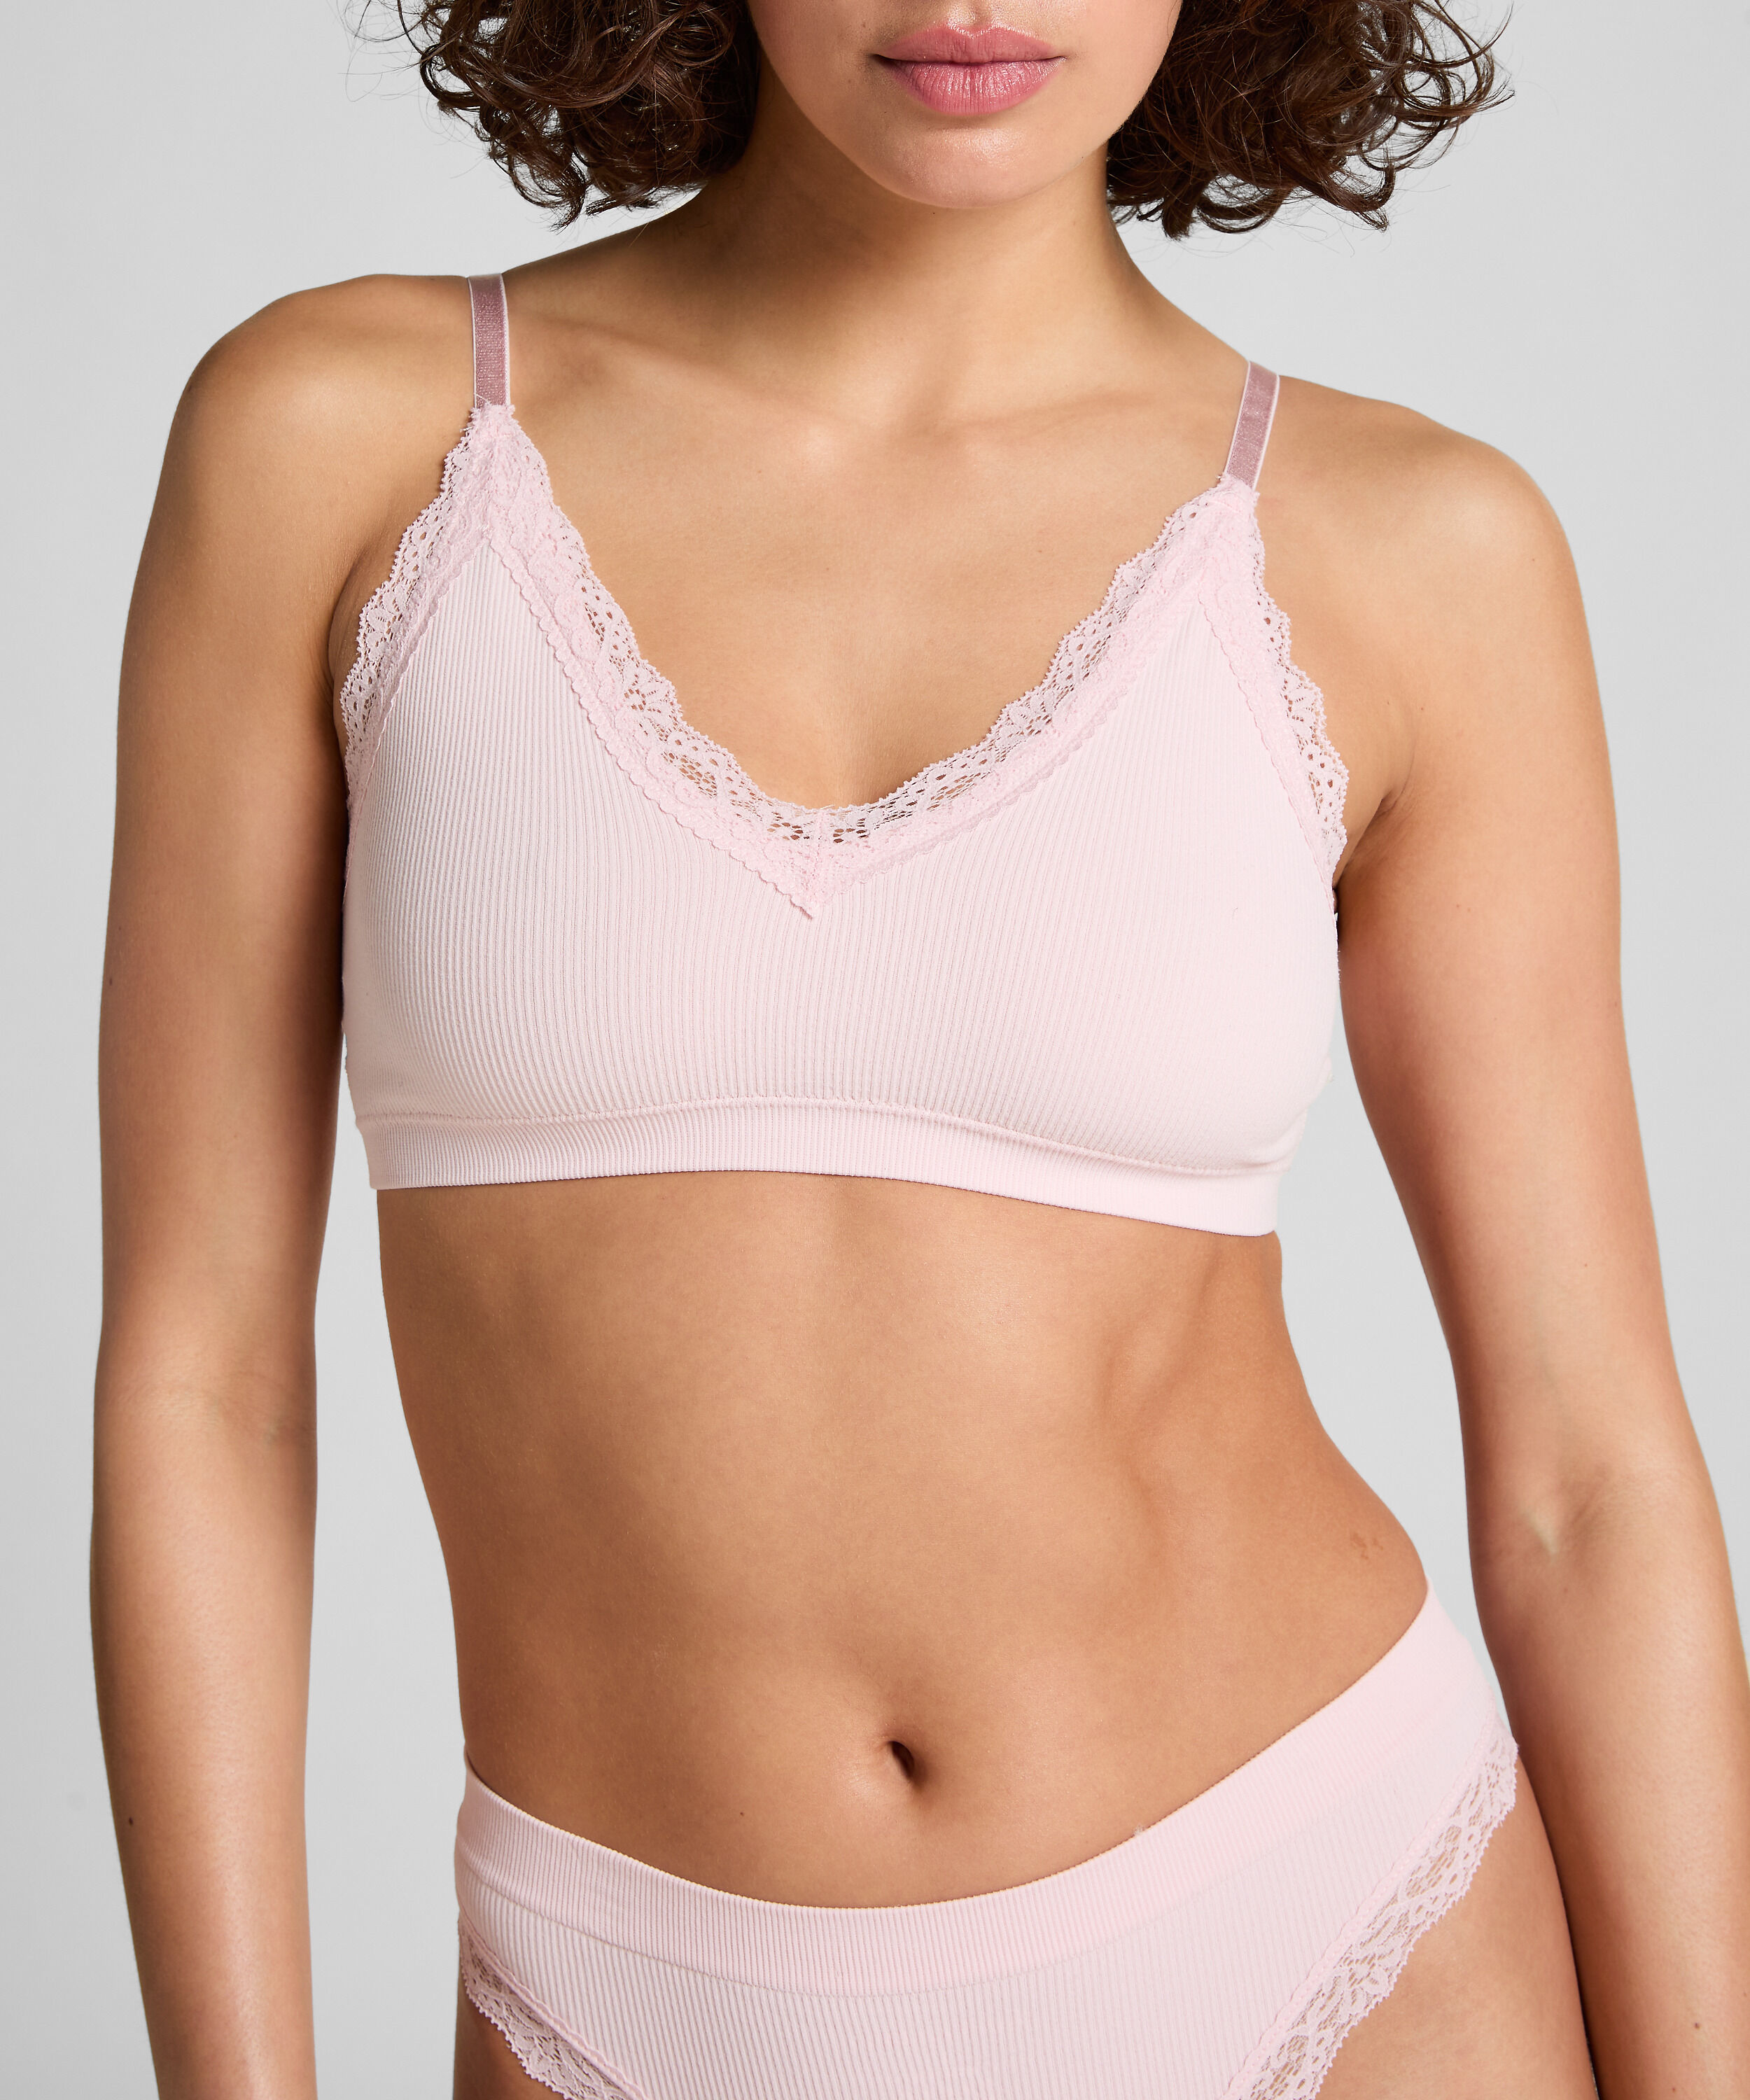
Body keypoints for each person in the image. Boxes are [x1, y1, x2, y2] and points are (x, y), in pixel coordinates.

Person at [94, 3, 1750, 2095]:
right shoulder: (347, 438)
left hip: (1331, 1907)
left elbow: (1586, 1475)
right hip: (633, 1989)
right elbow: (206, 1382)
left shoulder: (1414, 545)